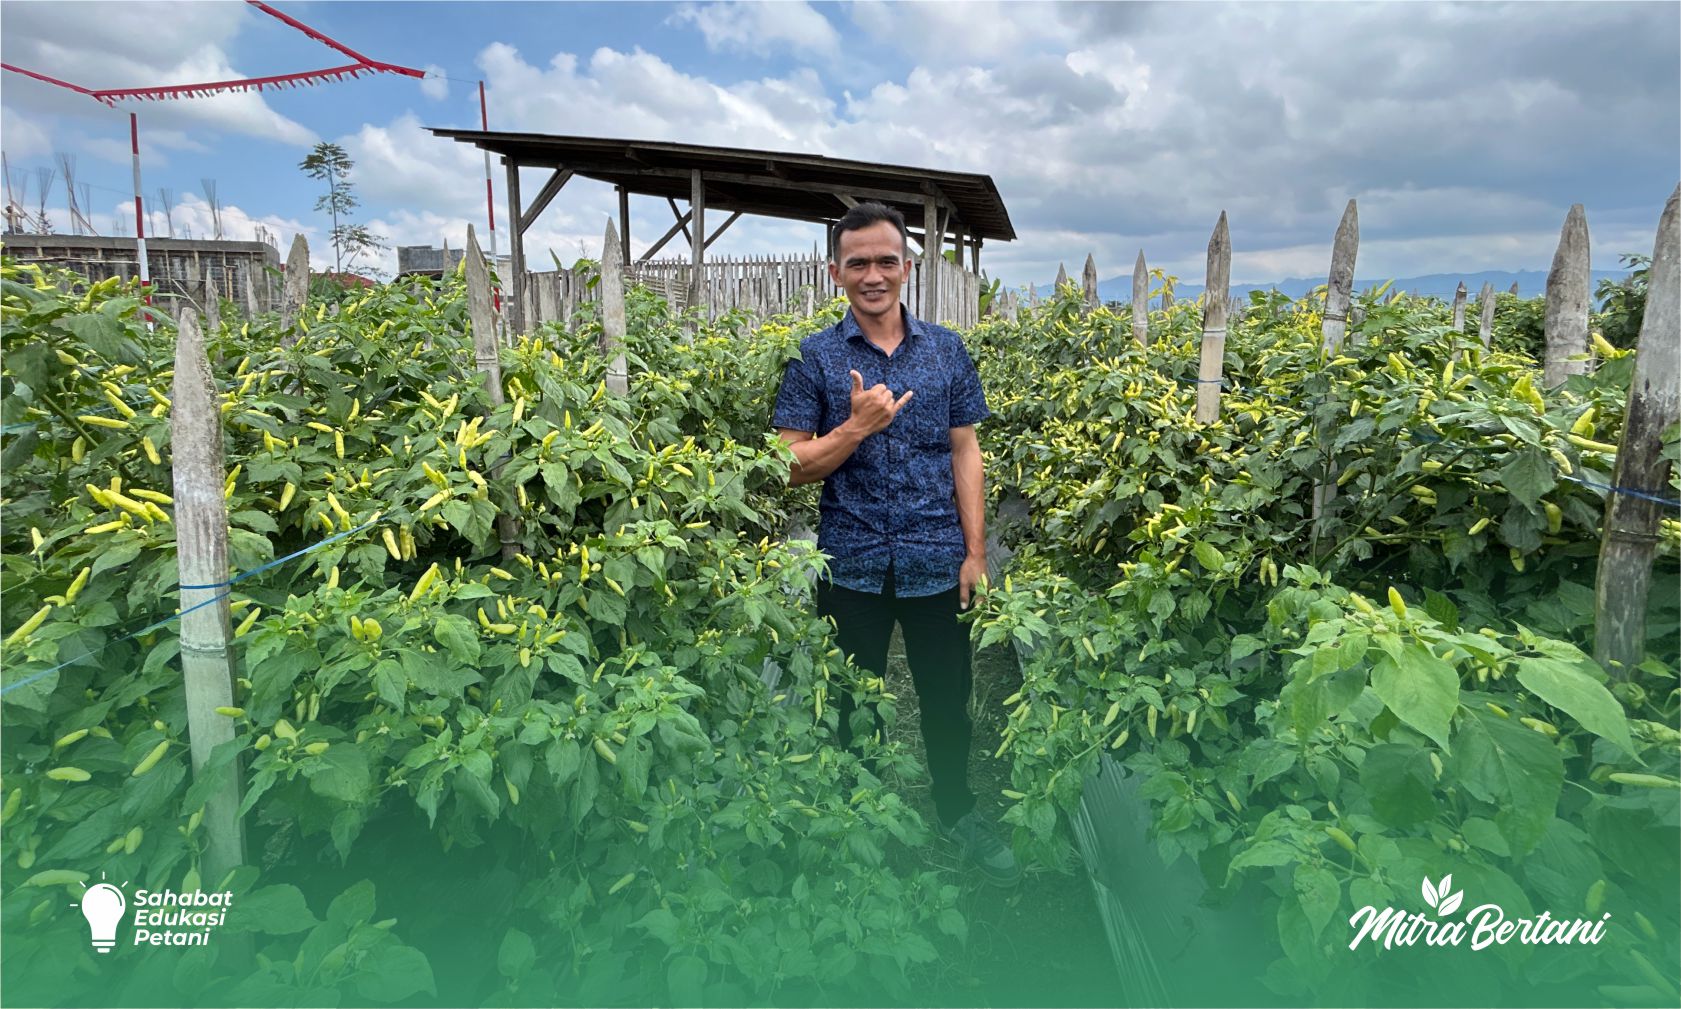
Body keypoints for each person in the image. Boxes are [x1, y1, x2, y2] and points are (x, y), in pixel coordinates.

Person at [771, 201, 1020, 886]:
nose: (872, 274)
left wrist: (975, 553)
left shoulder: (945, 351)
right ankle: (858, 820)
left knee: (947, 694)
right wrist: (855, 428)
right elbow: (788, 465)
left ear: (906, 268)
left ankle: (955, 808)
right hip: (848, 562)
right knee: (853, 698)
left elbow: (964, 451)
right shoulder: (814, 358)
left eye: (885, 260)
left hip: (936, 557)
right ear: (835, 272)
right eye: (858, 263)